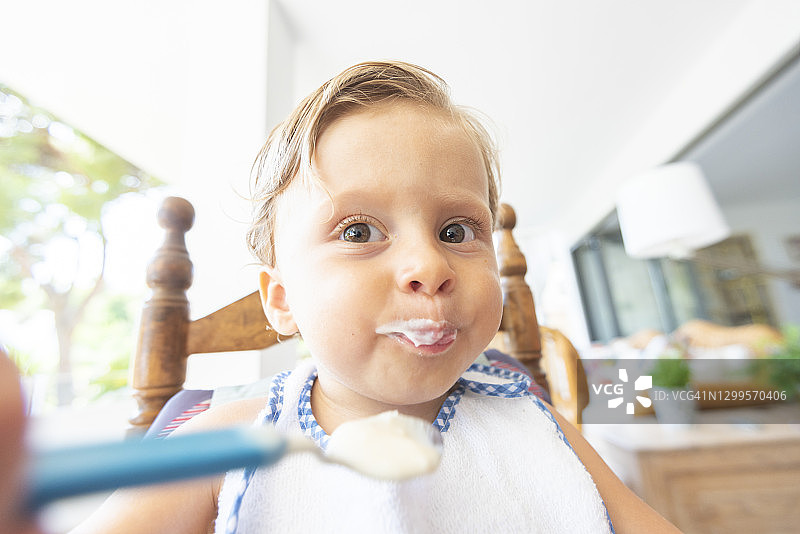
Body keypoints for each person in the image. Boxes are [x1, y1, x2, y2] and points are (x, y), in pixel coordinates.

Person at [7, 61, 680, 533]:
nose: (428, 265)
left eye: (456, 230)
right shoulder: (228, 443)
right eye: (359, 230)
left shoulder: (539, 428)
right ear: (281, 301)